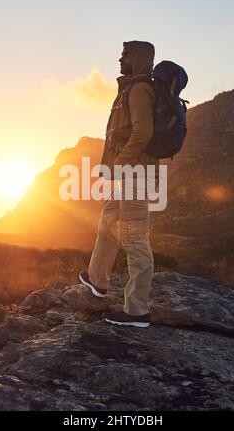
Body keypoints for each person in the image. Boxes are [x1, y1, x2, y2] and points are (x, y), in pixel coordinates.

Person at [79, 40, 159, 328]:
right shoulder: (132, 87)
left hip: (136, 174)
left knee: (135, 238)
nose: (120, 59)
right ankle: (98, 280)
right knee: (108, 220)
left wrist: (122, 162)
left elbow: (144, 132)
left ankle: (137, 312)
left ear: (137, 59)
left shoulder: (139, 90)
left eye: (125, 55)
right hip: (130, 174)